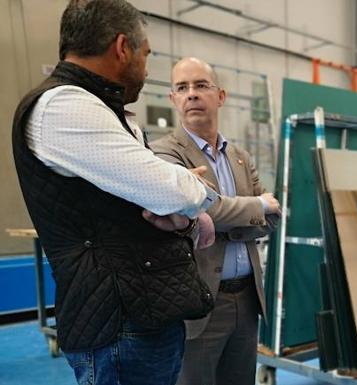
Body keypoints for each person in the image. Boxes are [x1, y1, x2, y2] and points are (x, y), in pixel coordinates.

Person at [12, 1, 221, 384]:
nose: (145, 68)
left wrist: (178, 199)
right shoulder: (64, 106)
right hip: (118, 324)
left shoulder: (104, 109)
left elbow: (153, 194)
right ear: (122, 47)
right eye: (145, 55)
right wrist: (195, 193)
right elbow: (171, 190)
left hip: (139, 313)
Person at [151, 57, 281, 385]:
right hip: (201, 303)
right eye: (182, 87)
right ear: (173, 99)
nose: (192, 94)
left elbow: (272, 217)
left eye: (200, 85)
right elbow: (198, 211)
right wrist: (253, 206)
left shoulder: (240, 157)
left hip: (248, 299)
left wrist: (223, 216)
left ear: (220, 96)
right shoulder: (165, 155)